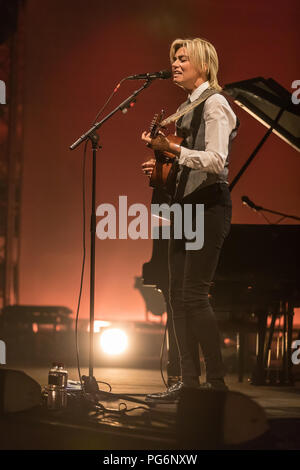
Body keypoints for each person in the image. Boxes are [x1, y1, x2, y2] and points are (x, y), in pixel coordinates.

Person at [141, 37, 239, 402]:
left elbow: (215, 160)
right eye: (174, 58)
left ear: (203, 64)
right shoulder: (186, 106)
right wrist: (163, 165)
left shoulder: (215, 104)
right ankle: (188, 381)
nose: (176, 64)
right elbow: (189, 158)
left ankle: (216, 382)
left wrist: (173, 149)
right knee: (177, 297)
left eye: (184, 58)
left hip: (209, 205)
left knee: (195, 296)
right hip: (184, 206)